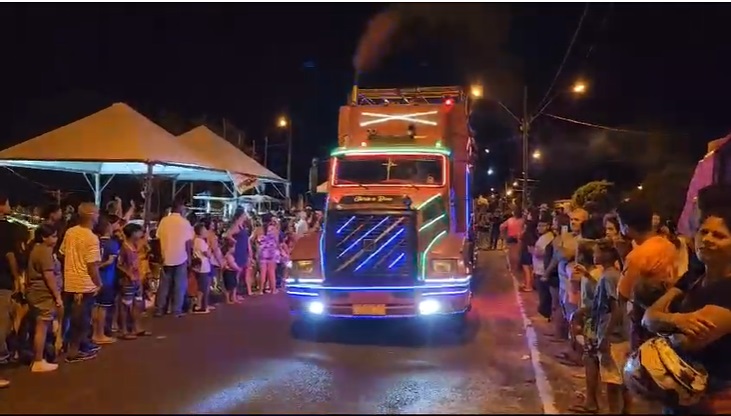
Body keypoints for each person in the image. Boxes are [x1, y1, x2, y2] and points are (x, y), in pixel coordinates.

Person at [643, 187, 731, 414]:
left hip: (713, 400)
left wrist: (665, 324)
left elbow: (685, 342)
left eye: (719, 235)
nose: (707, 240)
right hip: (681, 398)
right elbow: (648, 317)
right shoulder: (693, 277)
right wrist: (678, 320)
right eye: (704, 232)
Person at [616, 199, 677, 351]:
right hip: (666, 312)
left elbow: (623, 294)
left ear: (626, 227)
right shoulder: (667, 244)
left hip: (644, 318)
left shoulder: (637, 256)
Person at [59, 202, 102, 363]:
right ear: (91, 216)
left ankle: (80, 345)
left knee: (72, 318)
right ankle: (74, 352)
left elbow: (62, 253)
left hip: (70, 282)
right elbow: (92, 265)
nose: (98, 216)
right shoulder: (91, 238)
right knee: (81, 320)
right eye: (97, 213)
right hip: (84, 285)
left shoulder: (70, 232)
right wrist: (98, 283)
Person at [591, 239, 631, 414]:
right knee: (623, 379)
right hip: (621, 334)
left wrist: (605, 337)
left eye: (596, 252)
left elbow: (616, 309)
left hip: (613, 335)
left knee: (612, 381)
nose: (594, 255)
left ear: (605, 255)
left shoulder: (608, 277)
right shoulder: (615, 274)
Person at [25, 224, 63, 372]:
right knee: (42, 326)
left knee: (42, 325)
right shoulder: (44, 251)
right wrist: (57, 296)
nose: (56, 239)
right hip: (43, 294)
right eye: (53, 236)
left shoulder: (38, 250)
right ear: (43, 237)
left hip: (38, 293)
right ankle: (38, 360)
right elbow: (49, 276)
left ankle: (40, 358)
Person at [155, 200, 193, 318]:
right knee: (179, 285)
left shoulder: (164, 221)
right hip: (181, 257)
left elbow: (157, 238)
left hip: (166, 256)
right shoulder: (185, 223)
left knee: (164, 285)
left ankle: (160, 309)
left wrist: (159, 255)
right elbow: (188, 243)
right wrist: (190, 258)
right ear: (181, 209)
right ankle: (176, 310)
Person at [117, 223, 151, 339]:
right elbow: (119, 264)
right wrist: (129, 273)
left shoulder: (135, 245)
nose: (140, 234)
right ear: (132, 233)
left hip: (137, 279)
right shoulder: (125, 247)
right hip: (128, 281)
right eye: (138, 232)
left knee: (137, 304)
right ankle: (124, 330)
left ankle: (137, 327)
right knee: (125, 305)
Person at [92, 216, 119, 344]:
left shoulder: (95, 242)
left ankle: (94, 333)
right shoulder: (112, 244)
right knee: (103, 308)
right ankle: (100, 334)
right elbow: (111, 261)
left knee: (95, 307)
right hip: (107, 279)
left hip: (94, 279)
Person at [226, 210, 253, 297]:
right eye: (244, 214)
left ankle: (235, 294)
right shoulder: (236, 226)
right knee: (236, 274)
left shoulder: (242, 226)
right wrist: (234, 242)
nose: (246, 216)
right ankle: (233, 296)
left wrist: (249, 251)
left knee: (239, 273)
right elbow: (228, 234)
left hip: (243, 251)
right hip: (238, 251)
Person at [533, 215, 555, 319]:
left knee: (545, 297)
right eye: (538, 226)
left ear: (548, 226)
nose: (539, 228)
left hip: (542, 271)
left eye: (542, 226)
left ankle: (546, 317)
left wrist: (535, 251)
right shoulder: (544, 237)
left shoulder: (549, 237)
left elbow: (546, 252)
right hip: (539, 270)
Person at [192, 223, 212, 314]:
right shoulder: (200, 241)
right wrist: (210, 248)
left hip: (201, 266)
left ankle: (202, 305)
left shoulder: (196, 240)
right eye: (204, 230)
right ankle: (200, 306)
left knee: (202, 286)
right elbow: (207, 253)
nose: (206, 232)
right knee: (203, 287)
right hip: (203, 267)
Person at [258, 220, 281, 294]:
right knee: (271, 272)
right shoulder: (274, 230)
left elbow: (254, 239)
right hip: (271, 252)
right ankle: (273, 290)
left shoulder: (259, 229)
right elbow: (277, 242)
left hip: (263, 252)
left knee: (262, 273)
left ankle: (261, 290)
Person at [501, 208, 525, 276]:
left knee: (511, 253)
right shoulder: (522, 220)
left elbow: (502, 227)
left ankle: (512, 267)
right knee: (517, 253)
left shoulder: (510, 220)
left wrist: (504, 235)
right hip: (518, 238)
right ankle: (515, 267)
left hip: (511, 237)